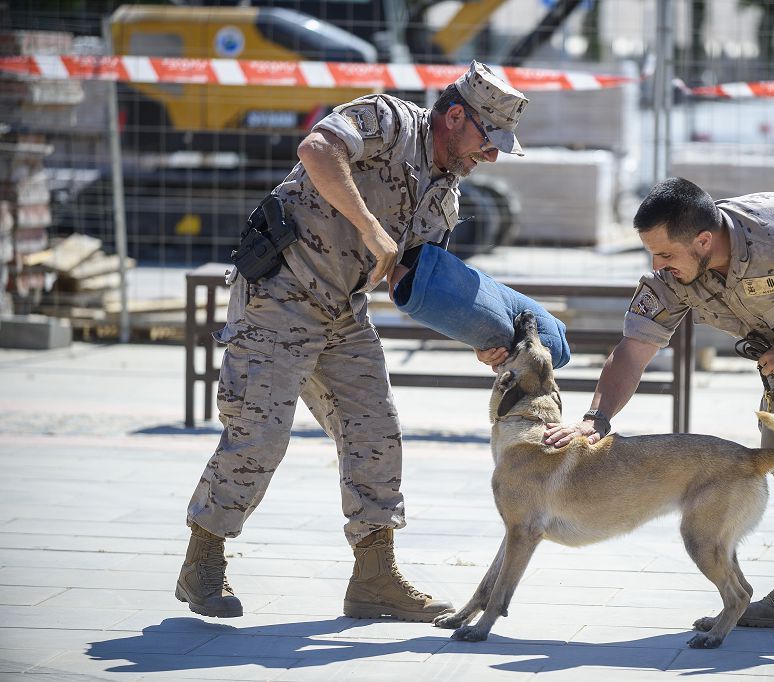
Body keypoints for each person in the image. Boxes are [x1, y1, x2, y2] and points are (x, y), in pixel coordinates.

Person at [176, 61, 529, 622]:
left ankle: (374, 578)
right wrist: (369, 225)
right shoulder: (387, 120)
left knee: (376, 432)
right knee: (260, 434)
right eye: (490, 140)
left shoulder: (446, 197)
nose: (491, 155)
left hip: (342, 313)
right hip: (279, 296)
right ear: (455, 115)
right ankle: (203, 559)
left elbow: (418, 283)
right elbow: (316, 150)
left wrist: (482, 335)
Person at [529, 178, 774, 628]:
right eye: (651, 254)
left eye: (665, 254)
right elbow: (634, 349)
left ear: (703, 240)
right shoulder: (673, 274)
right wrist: (596, 419)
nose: (658, 265)